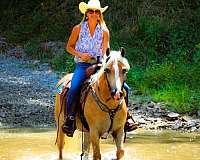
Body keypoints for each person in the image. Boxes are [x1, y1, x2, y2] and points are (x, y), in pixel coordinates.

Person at [62, 0, 137, 136]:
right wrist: (80, 55)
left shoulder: (104, 31)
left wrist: (102, 64)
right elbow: (69, 47)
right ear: (86, 13)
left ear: (100, 14)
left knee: (125, 88)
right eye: (91, 11)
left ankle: (127, 119)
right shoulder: (78, 29)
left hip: (99, 65)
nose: (94, 14)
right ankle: (70, 119)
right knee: (73, 87)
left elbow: (105, 52)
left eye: (97, 11)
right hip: (82, 64)